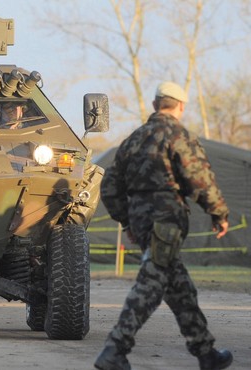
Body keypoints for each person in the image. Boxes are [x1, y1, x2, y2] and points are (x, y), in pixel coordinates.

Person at [94, 82, 233, 370]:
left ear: (156, 104)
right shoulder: (177, 135)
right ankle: (114, 349)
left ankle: (206, 353)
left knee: (180, 288)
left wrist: (126, 220)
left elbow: (108, 186)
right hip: (166, 218)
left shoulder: (133, 139)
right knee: (151, 282)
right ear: (180, 106)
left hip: (143, 221)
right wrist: (218, 213)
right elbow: (199, 178)